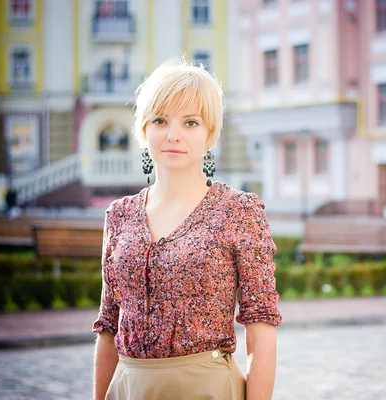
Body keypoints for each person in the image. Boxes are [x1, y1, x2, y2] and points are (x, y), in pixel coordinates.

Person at [92, 58, 282, 400]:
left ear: (210, 133)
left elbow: (261, 328)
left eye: (191, 122)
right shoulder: (119, 216)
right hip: (128, 388)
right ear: (144, 128)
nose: (173, 135)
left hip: (206, 389)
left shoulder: (238, 211)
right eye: (160, 120)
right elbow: (108, 327)